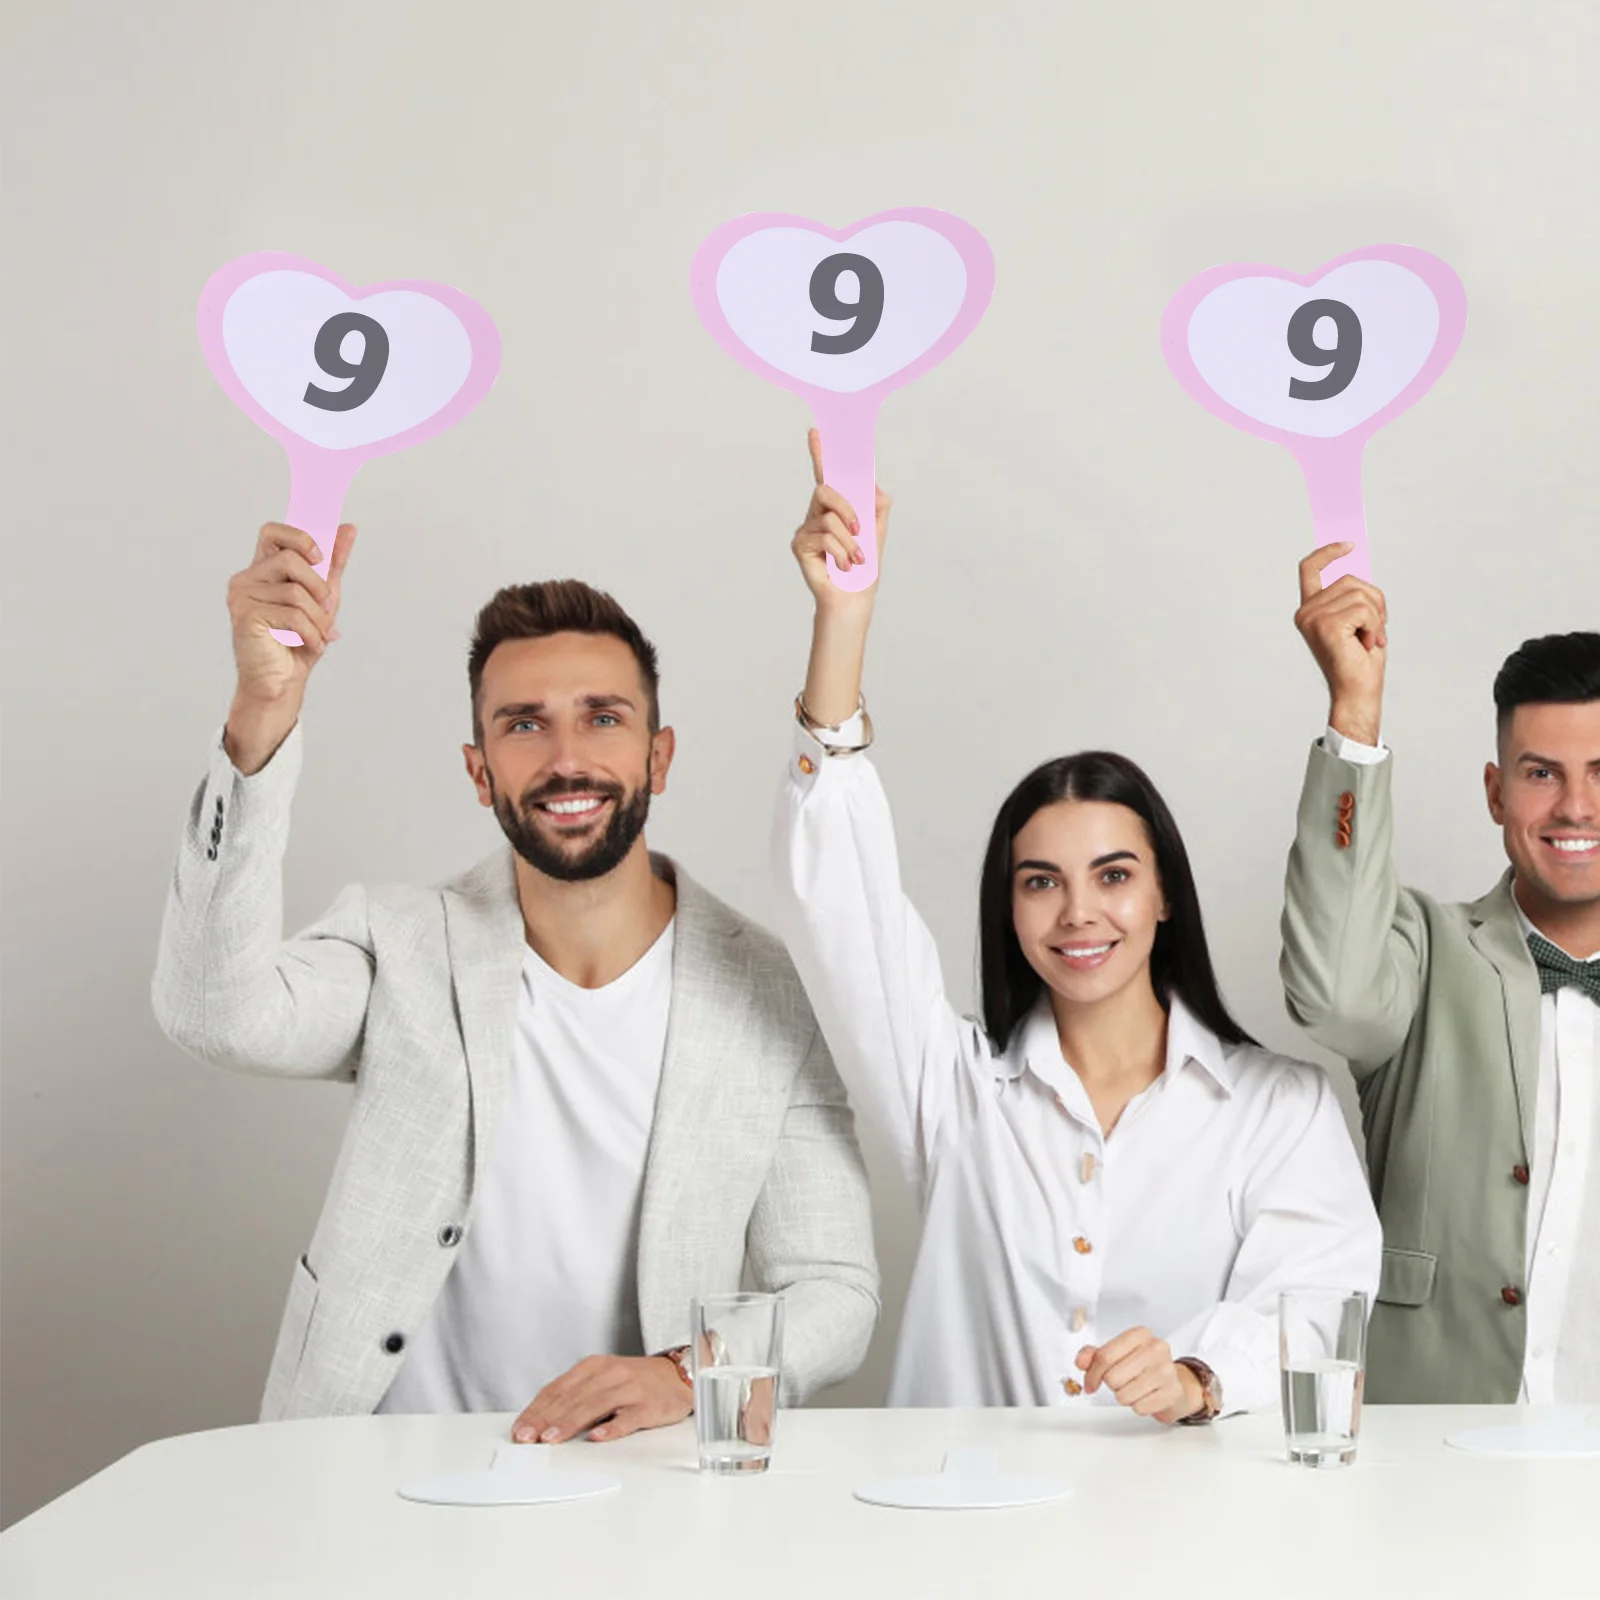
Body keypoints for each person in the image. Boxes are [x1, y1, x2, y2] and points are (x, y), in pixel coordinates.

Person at [152, 520, 879, 1441]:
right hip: (375, 1483)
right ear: (479, 771)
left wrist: (688, 1374)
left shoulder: (765, 987)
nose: (566, 758)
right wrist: (263, 708)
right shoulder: (402, 941)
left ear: (658, 755)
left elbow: (834, 1288)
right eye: (524, 725)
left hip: (638, 1488)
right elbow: (215, 1012)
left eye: (602, 717)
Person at [771, 436, 1379, 1420]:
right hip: (968, 1544)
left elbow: (1315, 1304)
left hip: (1183, 1551)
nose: (1078, 912)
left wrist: (1197, 1377)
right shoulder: (953, 1092)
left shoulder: (1279, 1108)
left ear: (1164, 895)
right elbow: (835, 901)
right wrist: (841, 625)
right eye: (1040, 881)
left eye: (1113, 875)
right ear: (1008, 910)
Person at [1282, 542, 1600, 1403]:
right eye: (1543, 774)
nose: (1575, 806)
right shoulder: (1421, 951)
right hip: (1429, 1460)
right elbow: (1331, 990)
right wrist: (1355, 711)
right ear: (1496, 793)